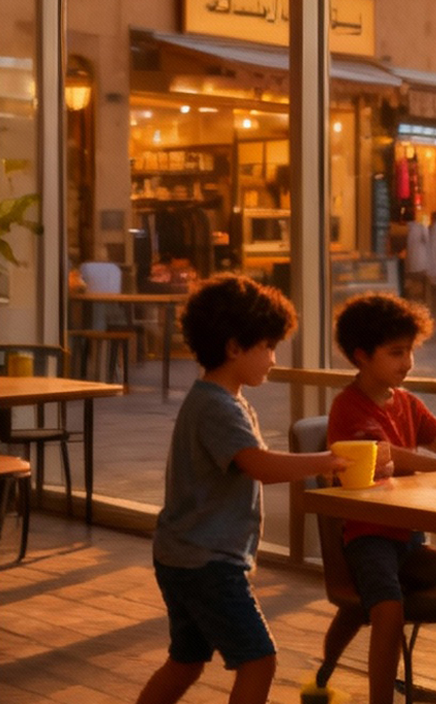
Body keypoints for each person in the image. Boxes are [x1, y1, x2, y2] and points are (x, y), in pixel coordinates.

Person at [136, 275, 346, 704]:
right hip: (207, 562)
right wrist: (326, 461)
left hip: (182, 555)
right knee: (258, 660)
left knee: (186, 661)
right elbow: (259, 466)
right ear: (234, 348)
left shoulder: (217, 399)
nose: (272, 359)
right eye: (268, 347)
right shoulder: (218, 405)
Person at [327, 293, 436, 704]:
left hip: (407, 535)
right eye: (396, 353)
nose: (407, 363)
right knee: (388, 611)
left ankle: (329, 661)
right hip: (369, 534)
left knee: (434, 568)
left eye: (410, 351)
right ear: (361, 356)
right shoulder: (349, 407)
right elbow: (391, 456)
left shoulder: (406, 403)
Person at [403, 213, 430, 302]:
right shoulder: (422, 227)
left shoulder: (407, 228)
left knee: (411, 287)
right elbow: (428, 240)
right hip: (421, 263)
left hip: (410, 263)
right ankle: (419, 304)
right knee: (420, 287)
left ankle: (411, 303)